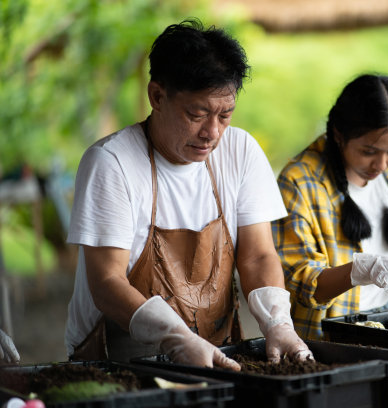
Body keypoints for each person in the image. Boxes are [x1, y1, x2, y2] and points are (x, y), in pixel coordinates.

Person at [64, 18, 312, 369]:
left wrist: (278, 323)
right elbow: (106, 281)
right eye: (197, 114)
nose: (212, 132)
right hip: (121, 360)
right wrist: (178, 338)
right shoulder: (112, 163)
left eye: (225, 115)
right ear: (157, 96)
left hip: (221, 355)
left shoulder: (240, 152)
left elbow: (257, 257)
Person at [272, 74, 388, 340]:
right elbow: (300, 285)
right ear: (338, 135)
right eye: (368, 152)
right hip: (327, 334)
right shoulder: (300, 183)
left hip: (386, 321)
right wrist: (361, 270)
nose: (381, 165)